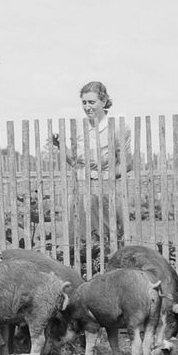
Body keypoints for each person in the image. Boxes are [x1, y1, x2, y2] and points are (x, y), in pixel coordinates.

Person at [51, 81, 133, 246]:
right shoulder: (80, 129)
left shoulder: (117, 128)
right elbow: (75, 162)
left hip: (105, 193)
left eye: (91, 102)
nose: (87, 107)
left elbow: (127, 164)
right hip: (80, 191)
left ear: (103, 102)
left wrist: (104, 176)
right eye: (84, 102)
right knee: (80, 242)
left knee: (107, 240)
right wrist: (60, 146)